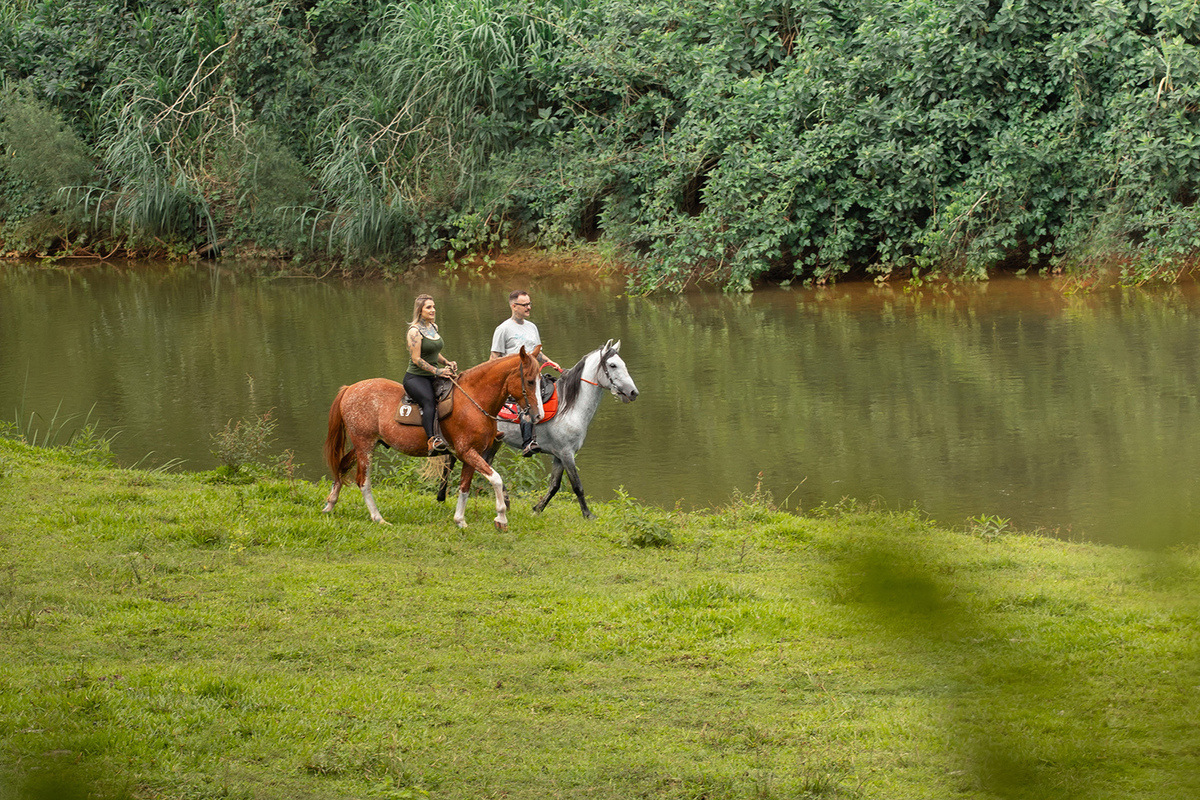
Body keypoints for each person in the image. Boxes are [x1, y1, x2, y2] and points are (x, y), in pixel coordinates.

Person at [490, 289, 561, 456]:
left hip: (533, 374)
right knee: (527, 402)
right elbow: (494, 357)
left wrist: (550, 362)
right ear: (514, 306)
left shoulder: (532, 327)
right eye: (525, 305)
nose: (529, 307)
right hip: (516, 377)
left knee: (556, 389)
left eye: (530, 304)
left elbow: (537, 352)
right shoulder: (503, 329)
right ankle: (528, 442)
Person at [404, 294, 458, 454]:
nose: (433, 310)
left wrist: (446, 362)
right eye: (428, 307)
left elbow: (434, 352)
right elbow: (416, 359)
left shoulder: (433, 327)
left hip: (434, 375)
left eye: (433, 306)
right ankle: (432, 439)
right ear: (420, 310)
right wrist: (438, 371)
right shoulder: (414, 331)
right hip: (416, 377)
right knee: (429, 402)